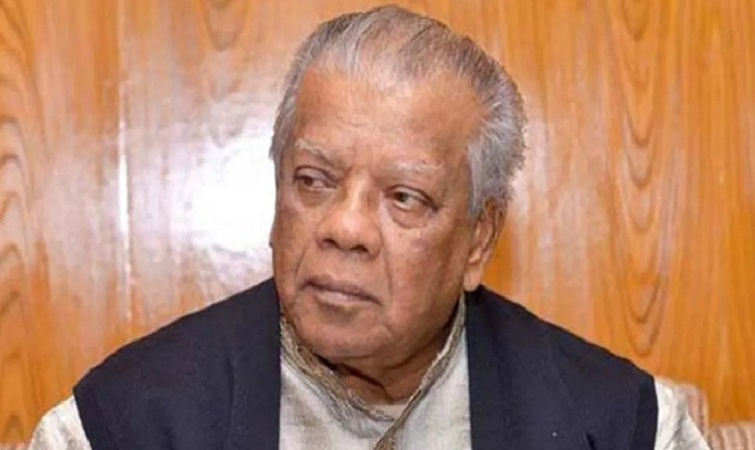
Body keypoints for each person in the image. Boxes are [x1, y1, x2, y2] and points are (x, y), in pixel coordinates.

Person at [30, 5, 708, 449]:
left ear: (478, 239)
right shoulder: (121, 425)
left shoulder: (622, 426)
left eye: (404, 197)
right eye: (313, 180)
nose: (345, 227)